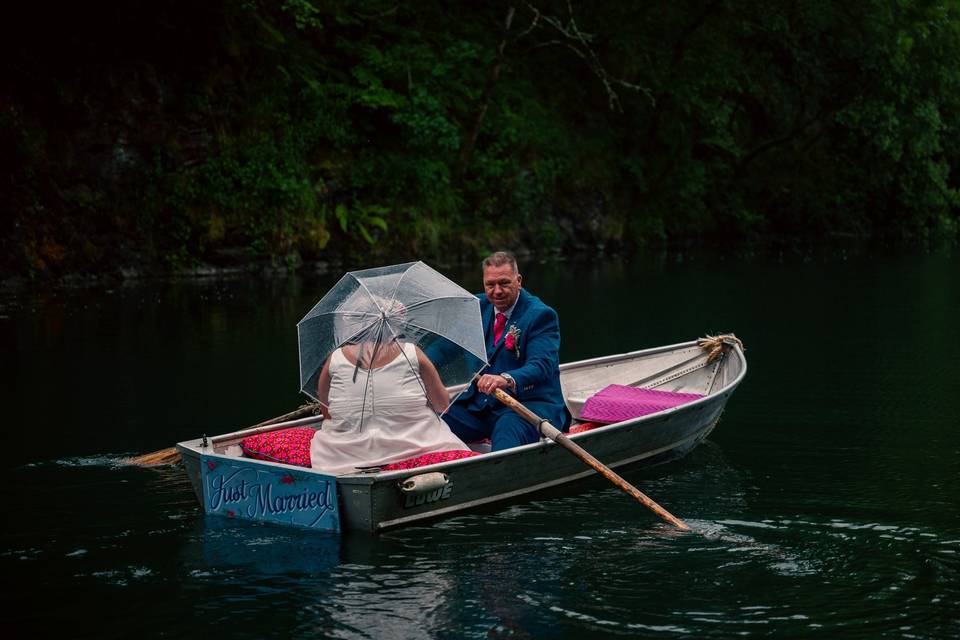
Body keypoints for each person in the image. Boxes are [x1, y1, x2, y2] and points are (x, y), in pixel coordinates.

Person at [310, 308, 472, 475]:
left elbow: (327, 412)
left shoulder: (335, 357)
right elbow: (441, 405)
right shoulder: (411, 352)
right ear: (394, 324)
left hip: (341, 457)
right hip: (415, 449)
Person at [442, 251, 570, 451]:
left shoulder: (541, 315)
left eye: (504, 283)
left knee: (506, 432)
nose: (497, 291)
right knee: (435, 419)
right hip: (480, 407)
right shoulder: (475, 307)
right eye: (490, 285)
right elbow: (445, 347)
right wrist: (414, 356)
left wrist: (505, 379)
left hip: (527, 406)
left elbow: (542, 366)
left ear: (518, 280)